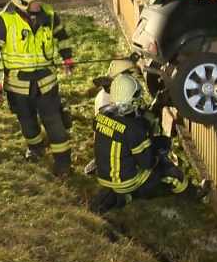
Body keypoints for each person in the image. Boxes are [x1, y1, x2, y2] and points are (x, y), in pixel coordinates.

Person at [0, 0, 76, 176]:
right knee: (27, 123)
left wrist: (67, 57)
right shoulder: (4, 21)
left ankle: (64, 165)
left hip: (47, 83)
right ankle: (35, 148)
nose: (41, 4)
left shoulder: (49, 16)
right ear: (23, 1)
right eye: (37, 0)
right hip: (18, 87)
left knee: (55, 124)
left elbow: (62, 36)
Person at [86, 73, 208, 212]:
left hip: (105, 176)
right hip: (128, 181)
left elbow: (131, 125)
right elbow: (147, 162)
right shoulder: (134, 129)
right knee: (170, 172)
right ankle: (193, 195)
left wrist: (154, 107)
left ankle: (121, 197)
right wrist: (159, 158)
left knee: (160, 142)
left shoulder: (102, 116)